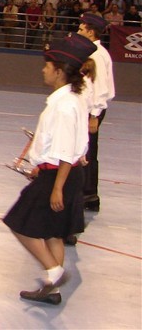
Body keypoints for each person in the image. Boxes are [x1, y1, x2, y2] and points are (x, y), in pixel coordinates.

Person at [3, 33, 95, 306]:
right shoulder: (72, 98)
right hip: (57, 171)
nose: (43, 69)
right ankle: (52, 289)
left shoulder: (65, 105)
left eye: (47, 65)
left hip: (60, 176)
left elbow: (66, 151)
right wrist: (39, 166)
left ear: (59, 71)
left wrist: (56, 187)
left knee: (18, 222)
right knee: (53, 232)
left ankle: (54, 273)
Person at [77, 13, 114, 212]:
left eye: (82, 29)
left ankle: (87, 193)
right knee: (90, 151)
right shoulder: (95, 51)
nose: (78, 31)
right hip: (91, 109)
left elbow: (100, 87)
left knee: (86, 152)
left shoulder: (96, 54)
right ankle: (91, 195)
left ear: (91, 32)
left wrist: (94, 115)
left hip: (92, 109)